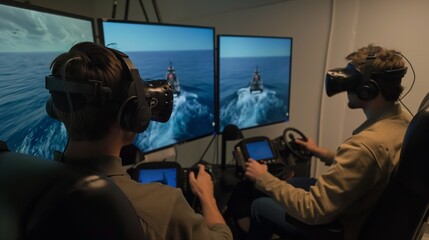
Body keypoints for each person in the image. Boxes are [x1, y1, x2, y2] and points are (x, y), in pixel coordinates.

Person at [46, 42, 232, 239]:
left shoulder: (31, 188)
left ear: (56, 109)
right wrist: (207, 196)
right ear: (134, 116)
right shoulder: (162, 207)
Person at [245, 44, 412, 240]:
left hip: (343, 228)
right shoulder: (404, 121)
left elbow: (314, 211)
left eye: (352, 81)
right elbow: (369, 166)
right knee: (298, 182)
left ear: (367, 89)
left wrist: (263, 178)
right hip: (368, 209)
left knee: (259, 206)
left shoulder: (365, 146)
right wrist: (321, 152)